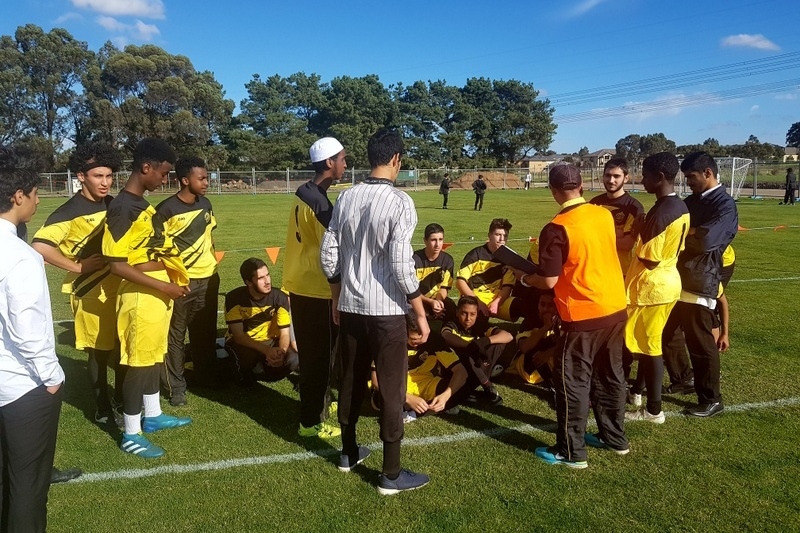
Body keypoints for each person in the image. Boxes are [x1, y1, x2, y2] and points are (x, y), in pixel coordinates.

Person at [321, 128, 431, 495]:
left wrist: (336, 296)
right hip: (386, 312)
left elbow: (329, 254)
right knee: (393, 385)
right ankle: (391, 473)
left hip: (351, 305)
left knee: (350, 380)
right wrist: (420, 310)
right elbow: (402, 264)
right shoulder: (401, 202)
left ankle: (348, 453)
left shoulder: (346, 197)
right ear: (397, 159)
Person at [514, 163, 629, 468]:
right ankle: (614, 437)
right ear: (581, 185)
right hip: (616, 307)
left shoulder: (556, 227)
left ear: (553, 191)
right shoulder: (602, 213)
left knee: (573, 383)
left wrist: (525, 279)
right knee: (612, 376)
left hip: (583, 315)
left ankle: (570, 450)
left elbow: (549, 281)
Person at [102, 138, 191, 458]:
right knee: (138, 364)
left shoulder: (141, 204)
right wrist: (164, 286)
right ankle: (131, 432)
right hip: (142, 297)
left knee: (154, 355)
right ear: (146, 168)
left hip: (156, 295)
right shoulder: (123, 207)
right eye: (164, 173)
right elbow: (116, 264)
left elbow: (144, 252)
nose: (165, 180)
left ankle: (151, 415)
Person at [31, 143, 124, 426]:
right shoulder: (69, 211)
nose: (105, 182)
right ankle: (102, 407)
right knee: (99, 351)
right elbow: (40, 245)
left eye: (109, 176)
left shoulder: (113, 204)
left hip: (118, 288)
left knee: (121, 347)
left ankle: (121, 400)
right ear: (81, 176)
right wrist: (78, 266)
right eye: (98, 176)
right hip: (90, 292)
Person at [0, 145, 65, 532]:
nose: (38, 200)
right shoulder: (20, 255)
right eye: (36, 193)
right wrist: (52, 376)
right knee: (28, 485)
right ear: (18, 196)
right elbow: (26, 326)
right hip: (23, 385)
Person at [661, 152, 738, 417]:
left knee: (701, 343)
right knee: (667, 333)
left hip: (700, 279)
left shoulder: (725, 205)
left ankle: (712, 399)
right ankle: (684, 379)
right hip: (677, 278)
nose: (688, 182)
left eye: (691, 177)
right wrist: (689, 232)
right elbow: (674, 229)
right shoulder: (691, 201)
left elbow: (706, 241)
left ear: (707, 173)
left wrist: (687, 235)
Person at [283, 137, 346, 439]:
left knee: (322, 355)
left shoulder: (305, 191)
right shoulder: (319, 202)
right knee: (317, 358)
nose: (346, 164)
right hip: (315, 289)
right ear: (329, 163)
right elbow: (334, 250)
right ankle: (310, 422)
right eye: (342, 159)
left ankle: (321, 404)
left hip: (302, 283)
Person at [622, 153, 690, 424]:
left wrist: (638, 230)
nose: (642, 180)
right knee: (649, 344)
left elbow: (649, 259)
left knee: (649, 348)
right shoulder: (680, 207)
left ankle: (653, 410)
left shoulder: (661, 213)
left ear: (660, 178)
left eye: (646, 176)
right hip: (667, 282)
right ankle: (638, 393)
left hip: (652, 289)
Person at [155, 157, 219, 406]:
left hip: (209, 278)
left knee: (205, 333)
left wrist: (212, 266)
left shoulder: (206, 204)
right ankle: (176, 387)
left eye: (207, 177)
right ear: (184, 180)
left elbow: (210, 238)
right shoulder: (166, 210)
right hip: (182, 282)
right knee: (176, 335)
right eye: (201, 178)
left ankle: (206, 378)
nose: (207, 183)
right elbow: (157, 250)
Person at [371, 316, 467, 421]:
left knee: (460, 387)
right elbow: (376, 380)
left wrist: (445, 396)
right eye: (413, 340)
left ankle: (413, 413)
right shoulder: (391, 341)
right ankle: (418, 407)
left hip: (425, 382)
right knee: (382, 399)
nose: (418, 343)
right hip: (397, 385)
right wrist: (406, 397)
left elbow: (461, 371)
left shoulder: (434, 339)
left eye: (422, 338)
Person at [224, 258, 298, 386]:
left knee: (294, 359)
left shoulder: (280, 298)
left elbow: (285, 334)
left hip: (271, 340)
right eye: (260, 278)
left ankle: (263, 371)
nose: (267, 281)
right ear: (249, 282)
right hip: (245, 343)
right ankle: (240, 372)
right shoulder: (234, 298)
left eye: (267, 275)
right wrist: (266, 351)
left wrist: (282, 351)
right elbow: (239, 336)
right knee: (247, 360)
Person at [440, 295, 513, 405]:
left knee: (499, 344)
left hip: (479, 364)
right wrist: (470, 345)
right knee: (465, 352)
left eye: (472, 314)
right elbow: (446, 336)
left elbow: (508, 336)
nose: (468, 318)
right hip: (459, 367)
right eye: (464, 313)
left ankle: (468, 389)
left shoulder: (479, 325)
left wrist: (483, 342)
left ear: (477, 314)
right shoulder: (452, 323)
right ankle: (487, 385)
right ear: (457, 312)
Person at [456, 218, 528, 326]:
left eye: (505, 236)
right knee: (478, 321)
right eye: (498, 235)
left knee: (526, 308)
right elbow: (460, 282)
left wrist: (496, 303)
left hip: (497, 300)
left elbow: (507, 287)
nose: (501, 239)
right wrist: (478, 302)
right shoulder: (475, 255)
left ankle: (528, 333)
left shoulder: (510, 258)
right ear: (489, 235)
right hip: (474, 299)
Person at [589, 157, 644, 276]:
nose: (611, 180)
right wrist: (617, 234)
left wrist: (598, 237)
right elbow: (586, 236)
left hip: (619, 271)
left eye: (616, 176)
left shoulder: (634, 207)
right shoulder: (594, 203)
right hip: (594, 268)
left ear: (626, 178)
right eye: (607, 175)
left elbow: (626, 245)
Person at [507, 290, 559, 387]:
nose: (545, 309)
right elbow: (524, 347)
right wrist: (546, 326)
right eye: (542, 304)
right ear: (538, 305)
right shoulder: (530, 321)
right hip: (529, 368)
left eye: (550, 305)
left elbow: (570, 345)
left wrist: (548, 353)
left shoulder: (562, 321)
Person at [413, 223, 455, 321]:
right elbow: (411, 291)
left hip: (436, 299)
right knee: (416, 315)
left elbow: (444, 287)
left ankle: (447, 334)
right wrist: (430, 302)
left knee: (453, 310)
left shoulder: (447, 260)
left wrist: (439, 302)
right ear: (425, 241)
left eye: (440, 240)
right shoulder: (414, 260)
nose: (437, 244)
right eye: (433, 240)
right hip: (417, 299)